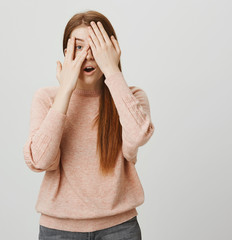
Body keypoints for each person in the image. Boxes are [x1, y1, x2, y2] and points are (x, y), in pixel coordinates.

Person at [23, 10, 155, 240]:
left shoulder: (131, 97)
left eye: (97, 46)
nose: (89, 56)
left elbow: (139, 135)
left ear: (111, 51)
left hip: (119, 228)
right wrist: (66, 89)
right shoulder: (47, 98)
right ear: (67, 54)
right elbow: (40, 160)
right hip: (58, 231)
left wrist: (112, 69)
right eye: (80, 47)